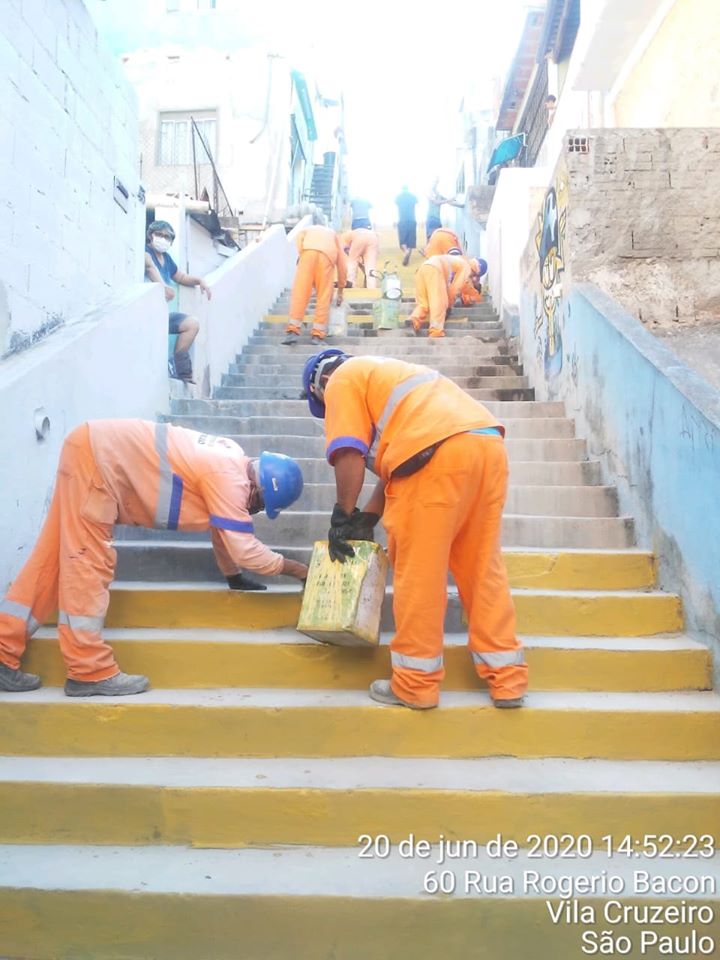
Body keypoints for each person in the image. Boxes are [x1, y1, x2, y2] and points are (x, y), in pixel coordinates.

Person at [0, 420, 308, 696]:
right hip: (99, 464)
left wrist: (233, 576)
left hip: (89, 449)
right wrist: (297, 570)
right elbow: (244, 547)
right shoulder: (229, 478)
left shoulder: (231, 461)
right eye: (258, 505)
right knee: (88, 563)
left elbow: (224, 531)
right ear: (260, 488)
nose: (253, 511)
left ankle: (2, 649)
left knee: (50, 559)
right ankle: (88, 670)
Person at [301, 349, 527, 710]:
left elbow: (348, 453)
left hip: (437, 460)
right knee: (483, 568)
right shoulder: (396, 377)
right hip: (486, 447)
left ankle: (415, 684)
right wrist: (368, 519)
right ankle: (508, 680)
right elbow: (399, 467)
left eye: (324, 406)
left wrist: (342, 516)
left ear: (321, 384)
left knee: (419, 573)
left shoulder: (340, 378)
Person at [145, 220, 212, 384]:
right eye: (159, 235)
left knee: (192, 324)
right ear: (150, 235)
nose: (162, 239)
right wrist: (163, 287)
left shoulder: (167, 259)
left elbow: (181, 277)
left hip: (163, 314)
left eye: (167, 237)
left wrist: (199, 280)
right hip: (146, 313)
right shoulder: (145, 252)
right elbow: (149, 267)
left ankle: (180, 369)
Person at [282, 224, 348, 346]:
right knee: (324, 297)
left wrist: (303, 256)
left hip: (307, 254)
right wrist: (340, 289)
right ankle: (317, 335)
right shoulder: (334, 235)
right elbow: (342, 265)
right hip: (326, 257)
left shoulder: (307, 229)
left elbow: (298, 242)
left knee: (300, 294)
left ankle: (292, 331)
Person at [410, 254, 484, 337]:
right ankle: (436, 331)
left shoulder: (458, 260)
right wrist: (448, 306)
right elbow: (455, 289)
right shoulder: (466, 267)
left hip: (422, 268)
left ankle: (412, 323)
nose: (473, 279)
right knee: (440, 303)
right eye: (475, 276)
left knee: (424, 304)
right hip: (435, 270)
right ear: (475, 271)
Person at [425, 177, 456, 242]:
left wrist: (460, 204)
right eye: (435, 182)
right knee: (431, 238)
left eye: (437, 182)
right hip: (432, 218)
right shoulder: (429, 193)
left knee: (438, 238)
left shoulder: (439, 195)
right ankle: (428, 251)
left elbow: (450, 201)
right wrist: (449, 200)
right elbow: (436, 202)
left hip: (437, 220)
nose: (436, 184)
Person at [394, 186, 418, 266]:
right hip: (412, 220)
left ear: (402, 189)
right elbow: (416, 202)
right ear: (408, 188)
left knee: (402, 241)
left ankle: (405, 252)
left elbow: (396, 203)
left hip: (402, 220)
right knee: (410, 242)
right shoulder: (413, 196)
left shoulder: (398, 197)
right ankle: (407, 254)